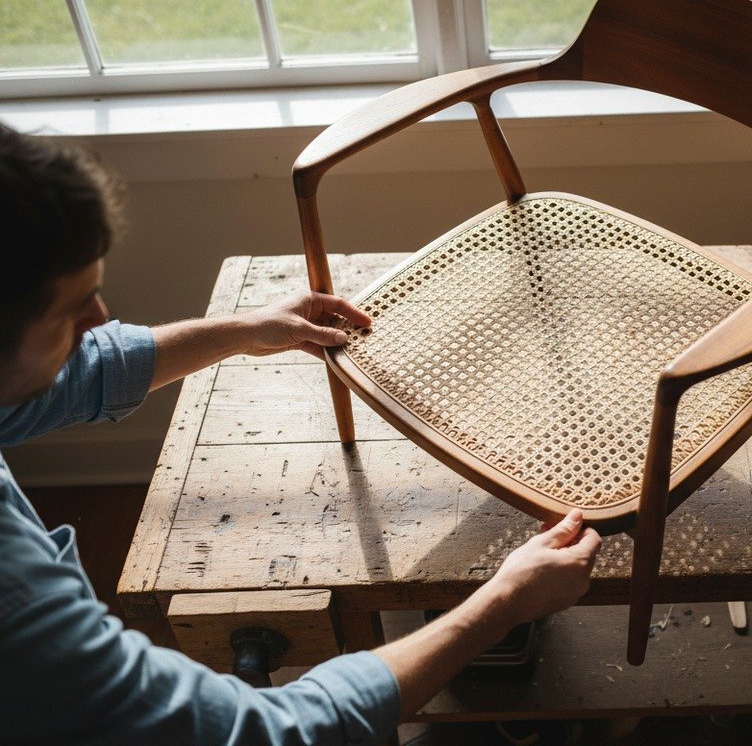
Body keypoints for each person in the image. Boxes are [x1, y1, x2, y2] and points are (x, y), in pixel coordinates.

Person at [0, 121, 602, 745]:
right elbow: (262, 732)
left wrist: (246, 329)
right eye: (69, 311)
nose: (99, 318)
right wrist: (500, 604)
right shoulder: (13, 602)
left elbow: (83, 372)